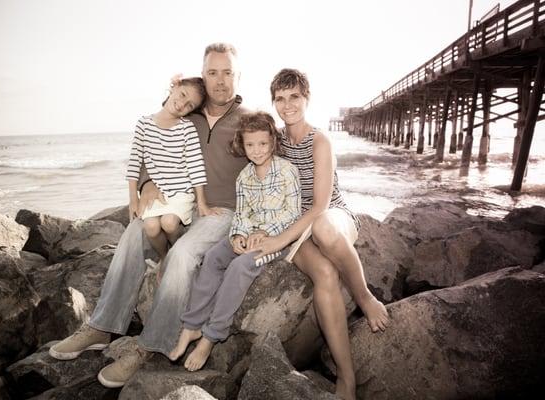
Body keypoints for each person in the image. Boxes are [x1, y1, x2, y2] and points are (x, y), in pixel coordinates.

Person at [48, 43, 249, 389]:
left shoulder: (250, 121)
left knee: (183, 255)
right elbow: (149, 147)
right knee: (132, 233)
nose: (219, 80)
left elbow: (270, 164)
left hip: (219, 213)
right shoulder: (189, 113)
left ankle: (150, 345)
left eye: (227, 72)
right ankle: (101, 325)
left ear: (238, 76)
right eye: (212, 72)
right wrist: (146, 184)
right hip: (177, 203)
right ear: (203, 76)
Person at [252, 68, 390, 400]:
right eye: (280, 99)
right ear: (274, 102)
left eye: (294, 97)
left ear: (307, 98)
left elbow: (319, 206)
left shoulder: (320, 141)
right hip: (293, 223)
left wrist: (279, 241)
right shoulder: (276, 142)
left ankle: (364, 296)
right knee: (325, 274)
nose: (287, 105)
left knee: (323, 228)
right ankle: (347, 377)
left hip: (330, 215)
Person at [169, 111, 301, 371]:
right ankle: (191, 326)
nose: (257, 150)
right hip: (248, 235)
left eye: (263, 144)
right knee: (215, 257)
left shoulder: (287, 171)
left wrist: (265, 233)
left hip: (276, 240)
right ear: (243, 145)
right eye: (250, 145)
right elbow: (241, 213)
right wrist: (238, 235)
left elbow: (293, 213)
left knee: (239, 267)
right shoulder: (244, 177)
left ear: (273, 142)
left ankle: (210, 336)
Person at [126, 77, 211, 270]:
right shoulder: (144, 124)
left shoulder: (186, 129)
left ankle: (177, 252)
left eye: (189, 105)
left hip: (181, 191)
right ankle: (165, 257)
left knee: (170, 223)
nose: (182, 104)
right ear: (174, 87)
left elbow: (195, 165)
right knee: (151, 227)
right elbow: (134, 164)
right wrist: (133, 199)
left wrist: (201, 202)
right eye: (182, 95)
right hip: (159, 192)